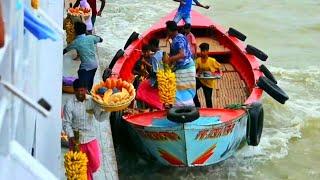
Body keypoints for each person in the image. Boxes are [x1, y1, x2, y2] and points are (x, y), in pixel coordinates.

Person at [63, 79, 109, 180]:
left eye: (82, 90)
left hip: (91, 137)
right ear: (74, 91)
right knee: (78, 168)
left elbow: (100, 118)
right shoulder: (69, 105)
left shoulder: (93, 101)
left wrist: (108, 110)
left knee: (95, 164)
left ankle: (88, 175)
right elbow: (66, 124)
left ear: (86, 90)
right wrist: (71, 136)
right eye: (78, 91)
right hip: (76, 140)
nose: (80, 93)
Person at [63, 22, 103, 92]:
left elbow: (64, 51)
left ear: (75, 31)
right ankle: (87, 92)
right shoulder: (91, 37)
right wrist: (89, 35)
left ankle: (82, 93)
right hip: (94, 66)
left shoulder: (75, 42)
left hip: (85, 68)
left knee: (82, 87)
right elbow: (101, 39)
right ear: (85, 30)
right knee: (89, 84)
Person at [163, 21, 196, 107]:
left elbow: (182, 54)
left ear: (171, 30)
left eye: (167, 31)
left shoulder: (178, 39)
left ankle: (184, 108)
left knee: (181, 90)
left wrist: (169, 59)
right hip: (184, 67)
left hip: (185, 68)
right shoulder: (179, 36)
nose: (166, 33)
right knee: (183, 89)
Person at [195, 43, 221, 108]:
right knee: (192, 90)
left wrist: (217, 74)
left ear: (207, 51)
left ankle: (210, 111)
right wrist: (197, 72)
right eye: (201, 51)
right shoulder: (198, 60)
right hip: (200, 80)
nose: (202, 53)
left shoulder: (212, 61)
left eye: (203, 51)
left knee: (208, 99)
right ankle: (197, 105)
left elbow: (219, 70)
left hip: (209, 83)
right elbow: (194, 70)